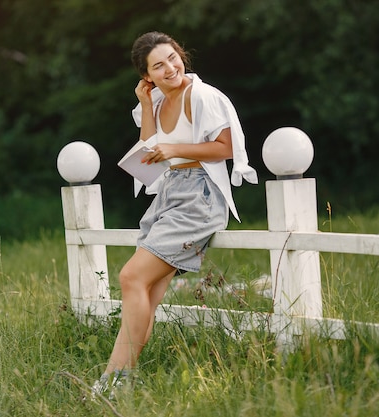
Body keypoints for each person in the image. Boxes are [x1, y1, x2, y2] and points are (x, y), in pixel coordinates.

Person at [91, 31, 257, 398]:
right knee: (145, 292)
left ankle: (116, 378)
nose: (170, 68)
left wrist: (172, 150)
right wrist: (146, 106)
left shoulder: (203, 95)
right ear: (147, 76)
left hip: (199, 197)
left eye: (173, 58)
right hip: (169, 195)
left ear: (181, 55)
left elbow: (226, 147)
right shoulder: (155, 99)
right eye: (158, 65)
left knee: (130, 276)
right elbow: (149, 149)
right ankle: (117, 381)